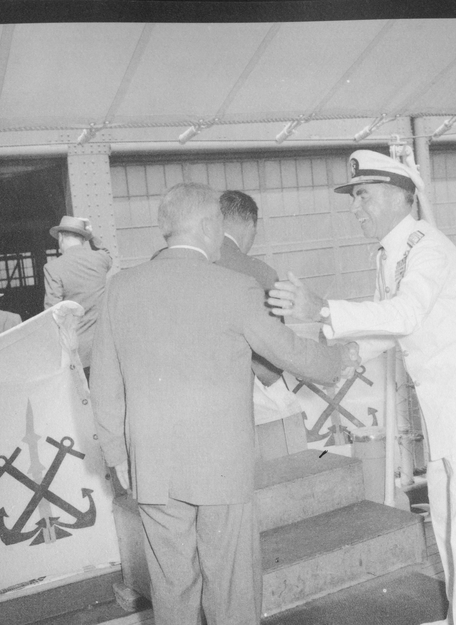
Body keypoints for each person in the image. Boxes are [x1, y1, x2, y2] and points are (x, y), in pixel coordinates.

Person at [268, 150, 456, 625]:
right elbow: (387, 328)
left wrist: (324, 308)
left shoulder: (427, 246)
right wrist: (337, 354)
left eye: (362, 194)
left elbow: (405, 314)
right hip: (448, 407)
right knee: (449, 522)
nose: (355, 207)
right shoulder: (393, 252)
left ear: (397, 195)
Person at [90, 182, 359, 625]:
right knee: (231, 589)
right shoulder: (235, 287)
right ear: (208, 225)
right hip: (221, 467)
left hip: (152, 467)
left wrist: (119, 456)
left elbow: (103, 384)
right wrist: (340, 359)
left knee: (171, 589)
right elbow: (289, 352)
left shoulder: (120, 288)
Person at [216, 190, 282, 387]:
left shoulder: (189, 263)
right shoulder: (263, 274)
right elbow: (275, 347)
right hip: (244, 388)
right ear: (251, 225)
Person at [43, 215, 113, 378]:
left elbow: (52, 312)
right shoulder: (100, 259)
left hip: (78, 353)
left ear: (60, 238)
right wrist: (92, 235)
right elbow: (107, 252)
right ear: (83, 238)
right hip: (107, 346)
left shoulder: (53, 268)